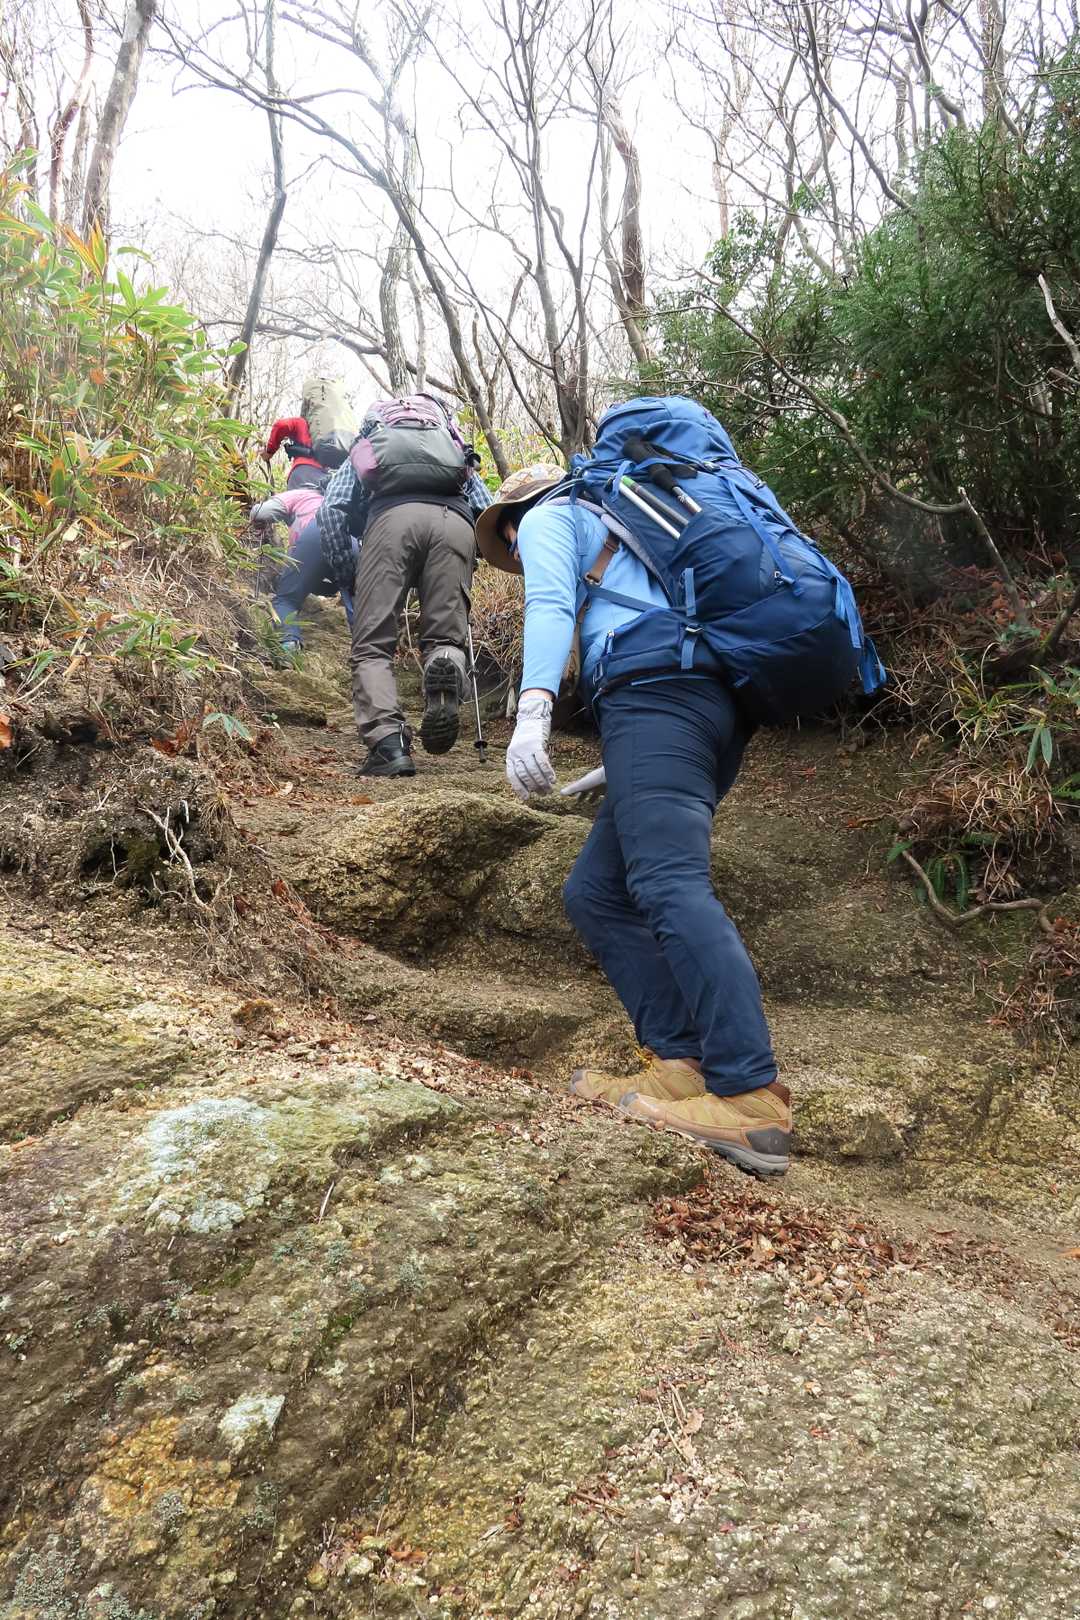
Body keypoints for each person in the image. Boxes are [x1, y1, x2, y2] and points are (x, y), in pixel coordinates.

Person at [474, 464, 791, 1179]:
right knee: (597, 892)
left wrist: (533, 710)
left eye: (509, 543)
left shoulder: (552, 515)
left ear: (516, 519)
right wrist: (625, 763)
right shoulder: (639, 529)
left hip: (658, 692)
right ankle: (681, 1063)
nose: (517, 555)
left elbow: (550, 604)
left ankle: (750, 1093)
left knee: (669, 884)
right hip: (692, 701)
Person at [318, 407, 492, 777]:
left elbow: (331, 509)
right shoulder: (450, 442)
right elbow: (486, 507)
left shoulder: (372, 438)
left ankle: (388, 744)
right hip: (454, 524)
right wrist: (470, 555)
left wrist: (348, 572)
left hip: (390, 524)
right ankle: (445, 675)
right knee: (446, 638)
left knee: (372, 644)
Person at [249, 477, 355, 656]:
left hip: (315, 534)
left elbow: (261, 512)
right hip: (349, 541)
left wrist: (257, 519)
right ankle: (366, 654)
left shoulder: (303, 494)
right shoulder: (343, 502)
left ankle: (288, 648)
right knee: (356, 599)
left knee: (285, 599)